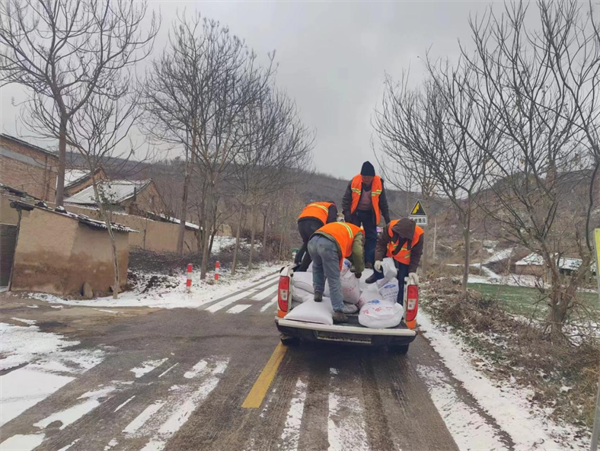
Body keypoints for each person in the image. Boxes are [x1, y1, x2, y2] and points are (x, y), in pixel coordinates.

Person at [307, 222, 364, 323]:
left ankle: (318, 293)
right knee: (333, 278)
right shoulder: (359, 233)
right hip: (328, 244)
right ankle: (338, 311)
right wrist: (359, 269)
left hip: (313, 241)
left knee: (318, 267)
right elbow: (357, 252)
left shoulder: (342, 227)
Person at [342, 161, 390, 268]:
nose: (366, 179)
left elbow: (383, 203)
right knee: (353, 236)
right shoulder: (354, 182)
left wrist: (387, 219)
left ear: (373, 177)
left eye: (368, 177)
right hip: (355, 212)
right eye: (364, 177)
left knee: (372, 237)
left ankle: (369, 260)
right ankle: (351, 259)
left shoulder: (379, 183)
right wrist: (347, 213)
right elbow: (346, 199)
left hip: (370, 213)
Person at [365, 218, 424, 305]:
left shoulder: (418, 235)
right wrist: (378, 259)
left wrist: (412, 271)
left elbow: (416, 254)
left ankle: (400, 304)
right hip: (390, 252)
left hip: (404, 260)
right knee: (371, 254)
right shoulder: (391, 227)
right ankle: (378, 275)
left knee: (402, 281)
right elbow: (381, 243)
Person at [295, 201, 338, 271]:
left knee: (307, 243)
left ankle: (297, 260)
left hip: (301, 222)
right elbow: (331, 222)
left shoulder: (316, 205)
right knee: (314, 247)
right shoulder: (331, 206)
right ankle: (302, 269)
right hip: (314, 222)